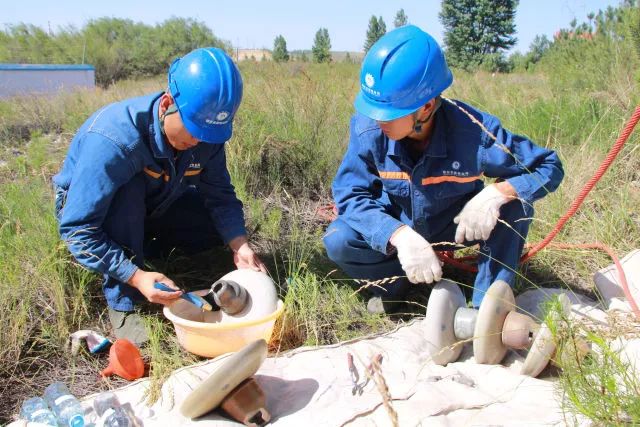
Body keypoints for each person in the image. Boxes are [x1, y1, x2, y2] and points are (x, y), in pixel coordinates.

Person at [323, 26, 564, 314]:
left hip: (458, 223)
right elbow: (350, 195)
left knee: (516, 206)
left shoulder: (474, 132)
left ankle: (487, 304)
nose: (377, 120)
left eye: (387, 113)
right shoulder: (367, 129)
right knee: (338, 239)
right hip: (400, 220)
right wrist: (398, 235)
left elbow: (549, 166)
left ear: (425, 107)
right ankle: (395, 285)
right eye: (372, 110)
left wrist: (498, 193)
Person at [53, 47, 266, 345]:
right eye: (193, 130)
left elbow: (220, 194)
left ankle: (142, 251)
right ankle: (124, 299)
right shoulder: (114, 141)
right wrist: (135, 276)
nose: (199, 142)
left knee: (215, 226)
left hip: (159, 199)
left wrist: (239, 245)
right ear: (167, 104)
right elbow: (77, 229)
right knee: (128, 194)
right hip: (101, 208)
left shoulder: (207, 136)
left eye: (208, 134)